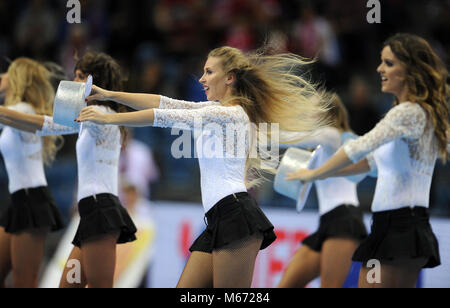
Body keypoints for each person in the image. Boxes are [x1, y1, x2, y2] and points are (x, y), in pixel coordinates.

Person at [76, 46, 329, 288]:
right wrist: (108, 94)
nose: (201, 79)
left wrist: (108, 117)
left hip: (236, 217)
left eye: (209, 72)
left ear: (230, 78)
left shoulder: (231, 114)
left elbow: (162, 116)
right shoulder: (214, 110)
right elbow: (163, 103)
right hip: (217, 219)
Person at [286, 33, 449, 288]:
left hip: (401, 226)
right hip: (397, 225)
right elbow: (370, 162)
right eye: (382, 62)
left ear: (410, 70)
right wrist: (326, 173)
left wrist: (314, 174)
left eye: (389, 63)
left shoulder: (408, 112)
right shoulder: (413, 113)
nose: (379, 69)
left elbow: (360, 147)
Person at [0, 52, 137, 288]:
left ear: (93, 82)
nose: (73, 82)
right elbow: (45, 126)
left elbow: (42, 124)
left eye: (79, 77)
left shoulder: (101, 115)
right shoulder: (90, 116)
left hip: (101, 210)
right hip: (91, 213)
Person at [277, 93, 367, 288]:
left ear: (326, 112)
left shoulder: (332, 135)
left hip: (345, 219)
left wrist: (253, 132)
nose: (307, 113)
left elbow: (289, 138)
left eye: (312, 108)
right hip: (327, 221)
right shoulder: (321, 147)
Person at [0, 58, 65, 288]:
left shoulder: (22, 110)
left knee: (24, 282)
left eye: (7, 73)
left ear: (17, 79)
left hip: (32, 201)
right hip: (19, 201)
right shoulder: (15, 111)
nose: (2, 76)